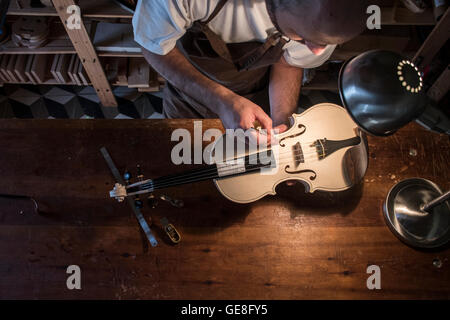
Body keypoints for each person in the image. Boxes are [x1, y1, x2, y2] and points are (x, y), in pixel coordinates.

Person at [133, 0, 369, 136]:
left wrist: (283, 124)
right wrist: (221, 100)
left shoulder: (322, 22)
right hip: (189, 96)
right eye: (303, 37)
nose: (316, 51)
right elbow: (154, 46)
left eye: (326, 44)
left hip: (258, 95)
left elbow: (288, 64)